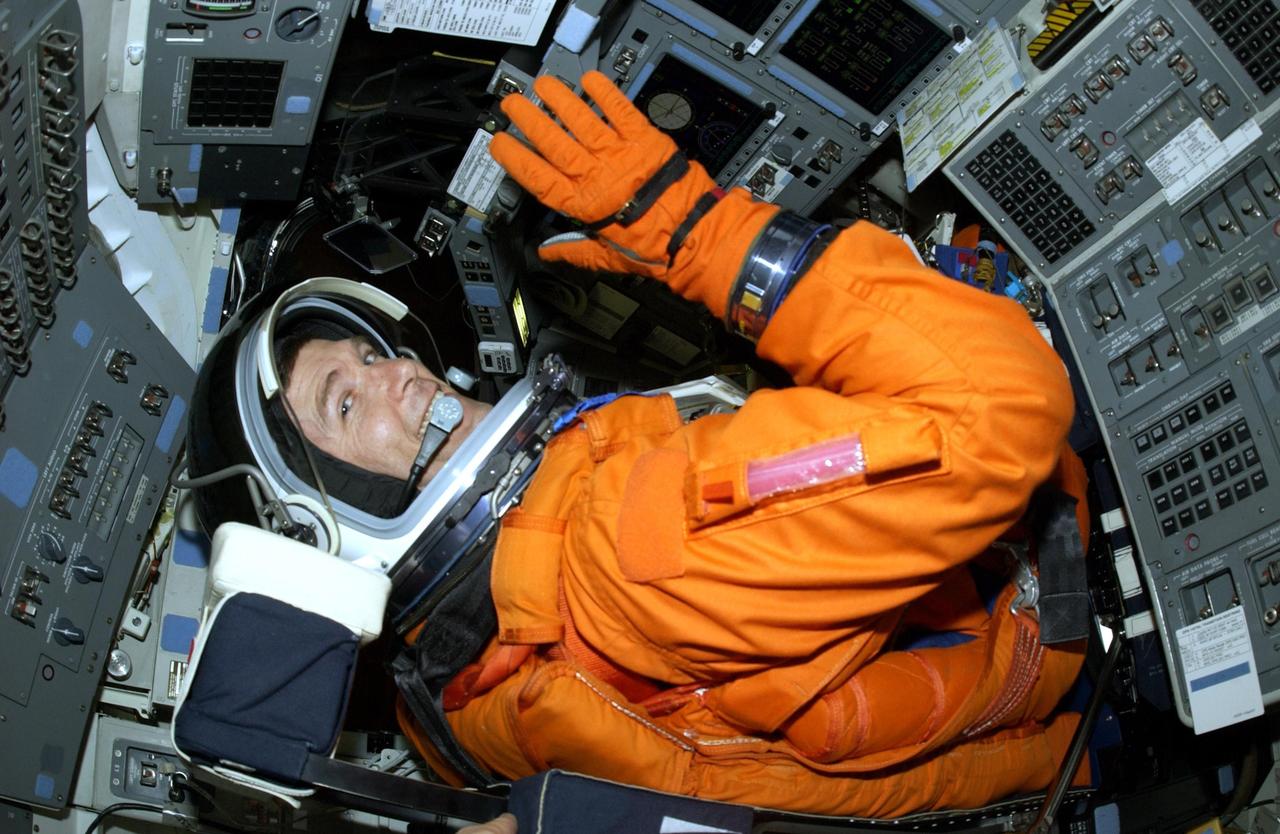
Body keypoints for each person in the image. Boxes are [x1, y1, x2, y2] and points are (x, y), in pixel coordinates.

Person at [186, 72, 1092, 818]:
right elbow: (1000, 408)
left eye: (374, 353)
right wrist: (698, 232)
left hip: (1017, 761)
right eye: (346, 403)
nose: (401, 374)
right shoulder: (618, 550)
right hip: (1048, 604)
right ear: (330, 520)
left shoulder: (446, 707)